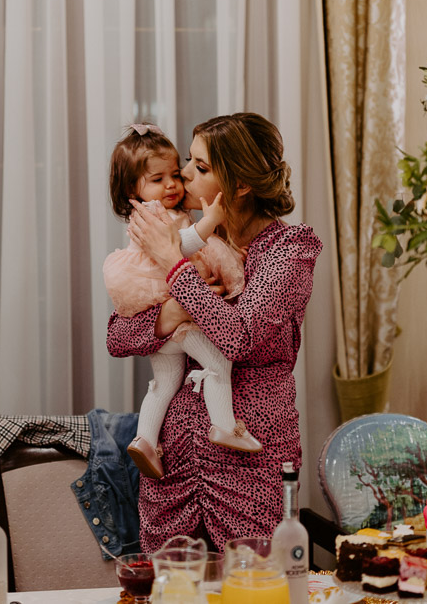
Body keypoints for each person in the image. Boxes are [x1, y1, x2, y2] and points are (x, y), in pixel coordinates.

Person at [107, 112, 322, 552]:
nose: (183, 175)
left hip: (250, 461)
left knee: (257, 580)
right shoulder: (189, 231)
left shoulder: (288, 250)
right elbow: (117, 337)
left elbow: (239, 337)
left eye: (199, 167)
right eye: (189, 160)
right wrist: (169, 313)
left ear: (240, 185)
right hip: (173, 462)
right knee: (170, 582)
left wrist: (175, 266)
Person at [104, 123, 261, 481]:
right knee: (217, 361)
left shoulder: (157, 212)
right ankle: (224, 424)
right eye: (158, 179)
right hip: (175, 313)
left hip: (164, 321)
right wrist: (210, 222)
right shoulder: (155, 216)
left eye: (175, 174)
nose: (175, 183)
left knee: (165, 381)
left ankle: (145, 439)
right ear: (132, 189)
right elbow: (181, 247)